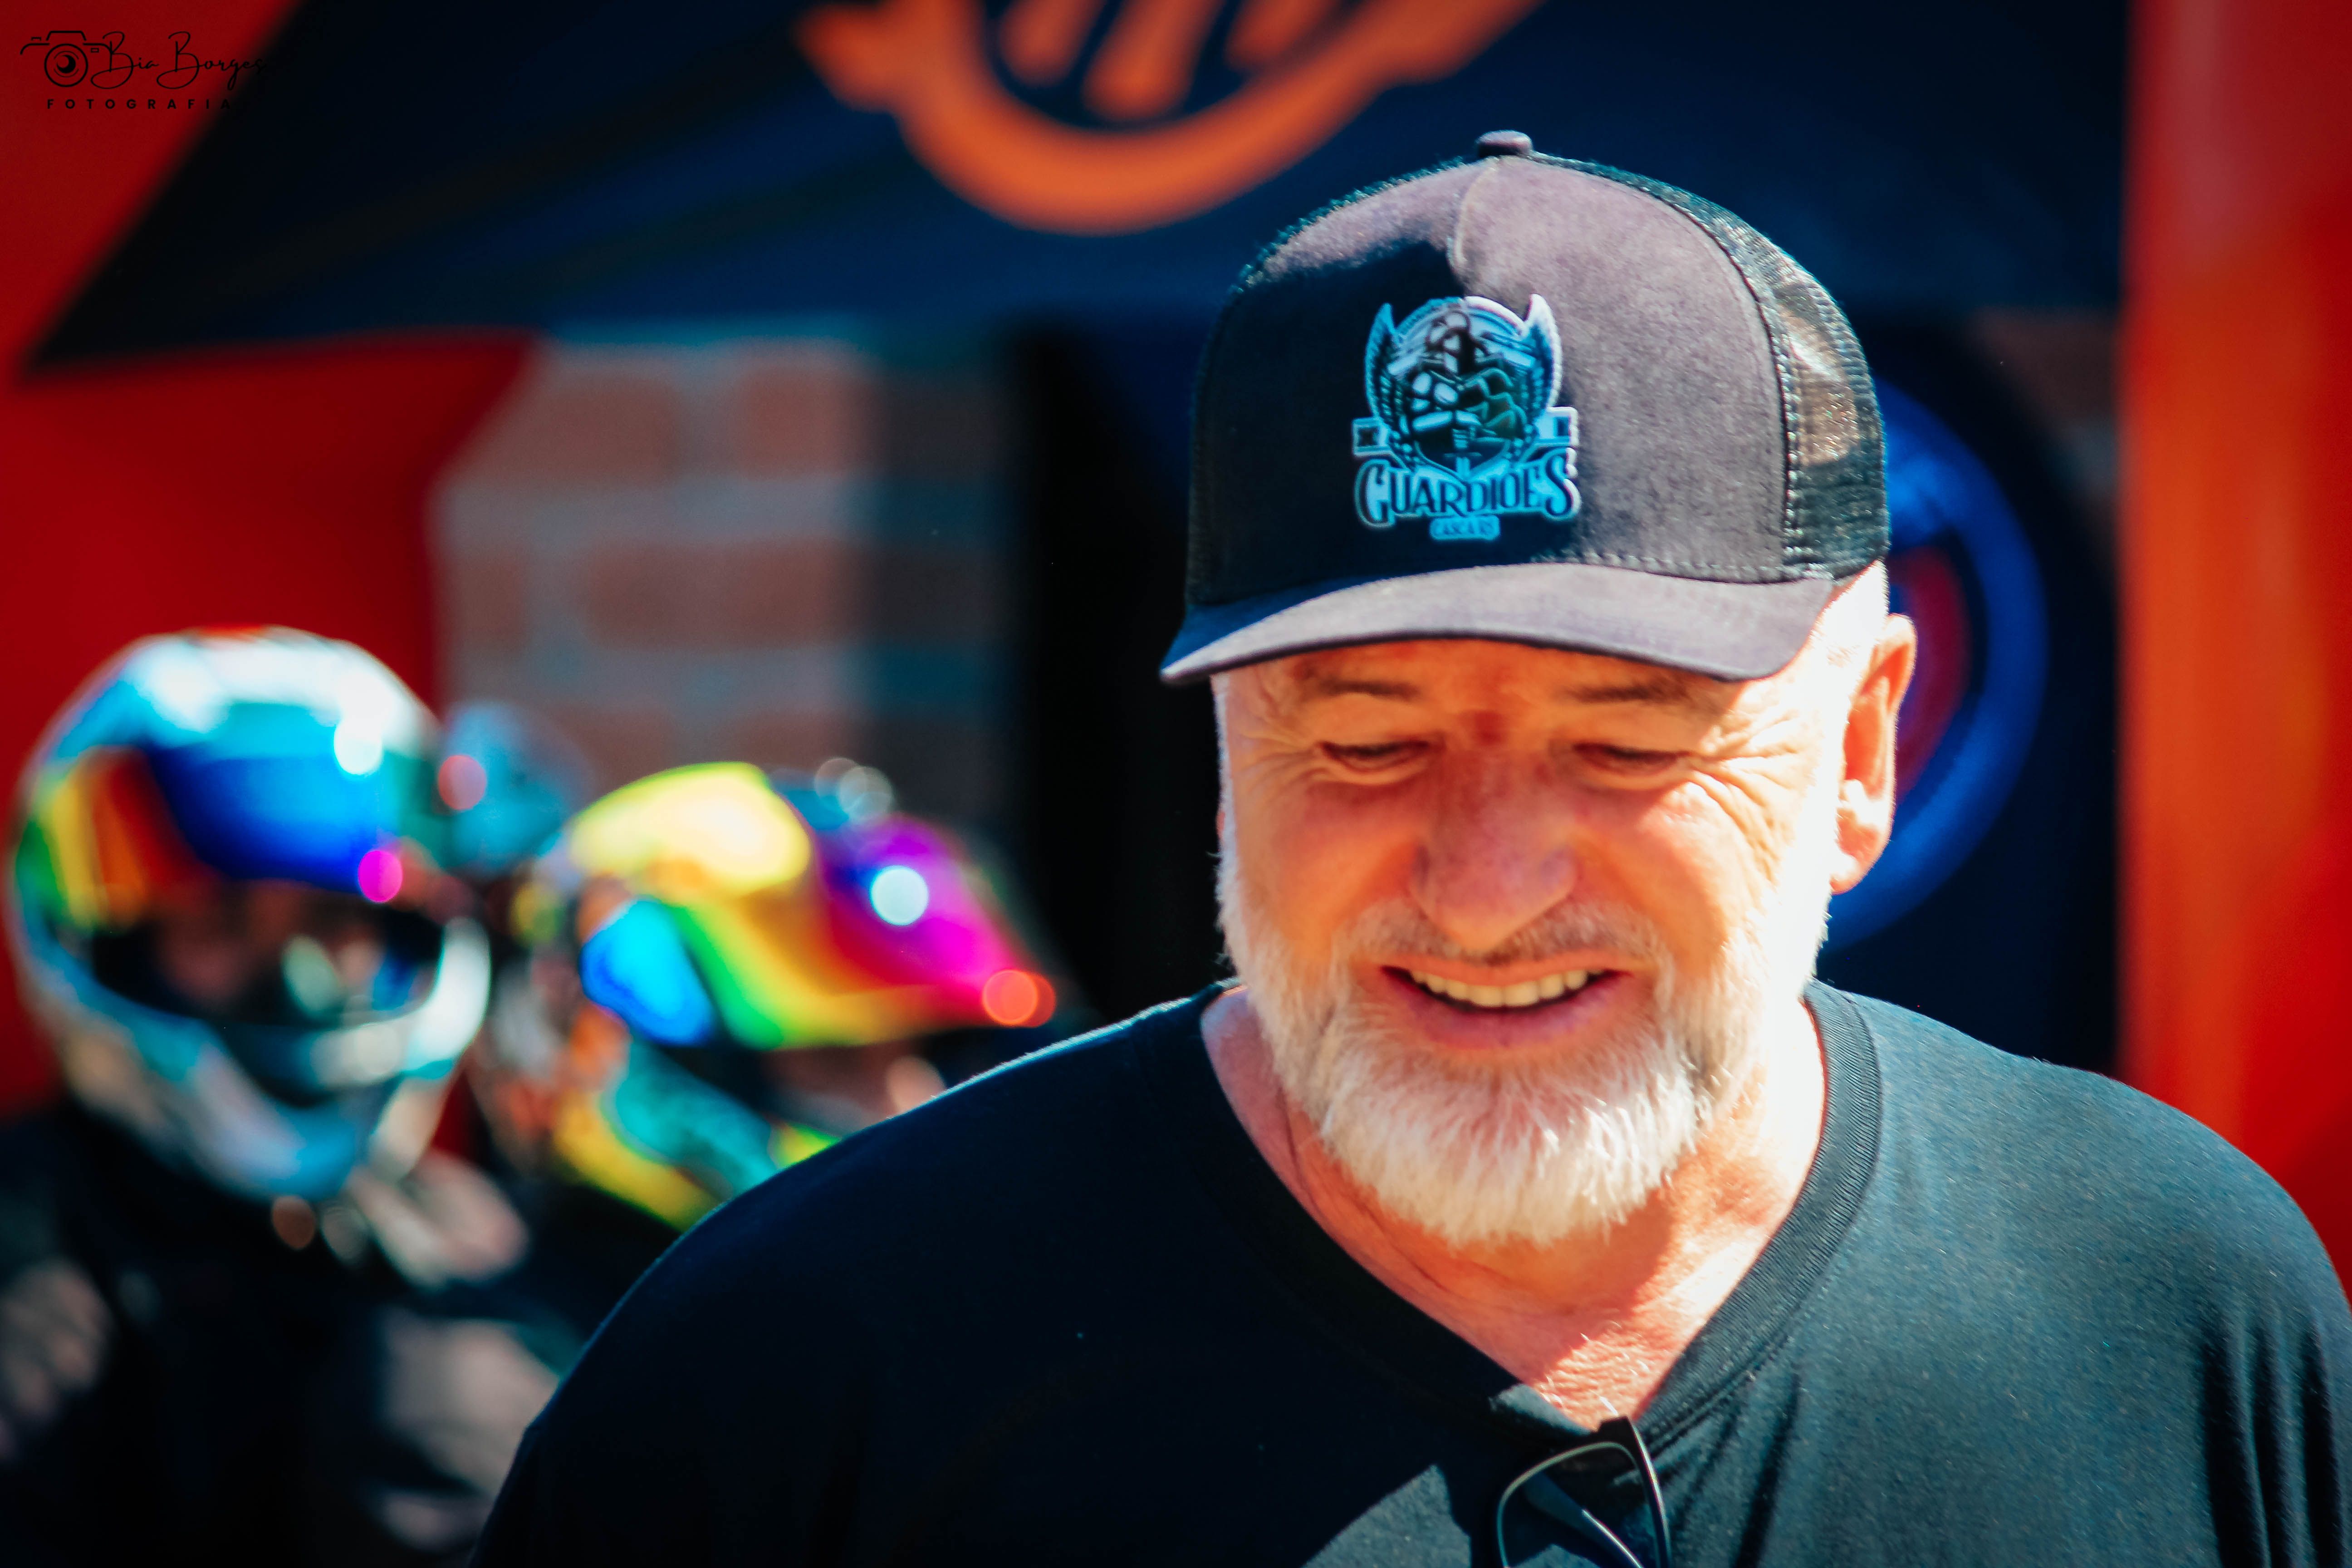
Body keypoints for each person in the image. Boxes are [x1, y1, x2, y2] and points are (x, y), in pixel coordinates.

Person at [473, 135, 2352, 1566]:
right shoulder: (801, 1378)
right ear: (1224, 756)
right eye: (1365, 741)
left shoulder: (2171, 1319)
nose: (1486, 880)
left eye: (1623, 742)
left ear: (1861, 749)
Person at [0, 627, 562, 1566]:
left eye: (335, 921)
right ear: (107, 941)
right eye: (219, 922)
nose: (299, 984)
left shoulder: (473, 1239)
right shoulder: (34, 1286)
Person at [472, 760, 1057, 1336]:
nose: (908, 1103)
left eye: (924, 1056)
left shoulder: (878, 1330)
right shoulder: (513, 1363)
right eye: (834, 1058)